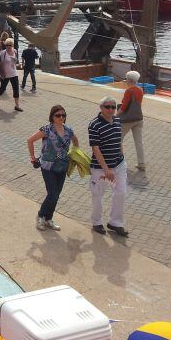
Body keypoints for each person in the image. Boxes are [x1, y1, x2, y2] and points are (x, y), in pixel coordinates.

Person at [27, 105, 80, 231]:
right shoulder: (47, 129)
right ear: (52, 116)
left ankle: (48, 218)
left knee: (57, 194)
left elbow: (76, 142)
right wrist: (33, 157)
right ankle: (41, 216)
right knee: (53, 194)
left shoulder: (68, 130)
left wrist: (74, 154)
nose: (61, 117)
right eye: (58, 115)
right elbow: (30, 140)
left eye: (63, 115)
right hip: (48, 166)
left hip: (62, 166)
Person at [88, 96, 129, 236]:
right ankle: (97, 222)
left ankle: (115, 222)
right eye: (107, 106)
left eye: (113, 107)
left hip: (119, 165)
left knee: (121, 192)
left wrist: (122, 157)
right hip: (100, 168)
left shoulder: (117, 120)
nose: (111, 109)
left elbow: (119, 140)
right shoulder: (94, 124)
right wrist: (106, 169)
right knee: (97, 195)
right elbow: (95, 148)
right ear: (101, 108)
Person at [116, 71, 145, 172]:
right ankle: (141, 163)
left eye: (126, 79)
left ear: (129, 80)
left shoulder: (129, 91)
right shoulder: (140, 90)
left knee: (118, 139)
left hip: (128, 120)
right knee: (139, 142)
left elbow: (124, 107)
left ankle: (120, 161)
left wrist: (115, 116)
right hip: (139, 118)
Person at [0, 38, 22, 112]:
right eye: (6, 45)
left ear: (12, 45)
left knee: (16, 89)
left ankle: (17, 105)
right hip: (5, 74)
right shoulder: (3, 53)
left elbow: (15, 61)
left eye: (9, 45)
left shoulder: (15, 51)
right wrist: (2, 73)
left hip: (14, 73)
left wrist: (17, 63)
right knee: (2, 88)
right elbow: (0, 64)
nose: (8, 46)